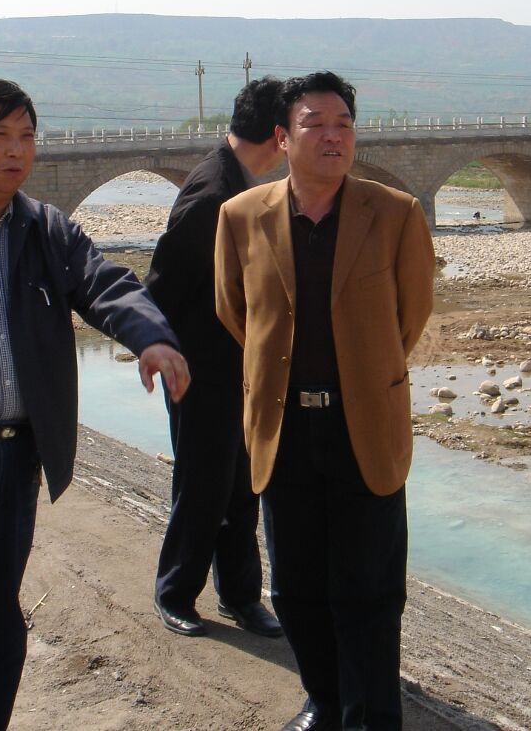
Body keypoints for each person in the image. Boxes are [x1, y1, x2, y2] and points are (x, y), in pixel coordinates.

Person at [0, 78, 189, 731]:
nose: (17, 151)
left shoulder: (45, 230)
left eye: (27, 136)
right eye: (0, 136)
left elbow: (105, 283)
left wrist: (150, 336)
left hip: (15, 459)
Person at [215, 72, 436, 731]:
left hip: (363, 424)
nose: (333, 136)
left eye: (344, 123)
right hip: (283, 427)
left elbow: (410, 315)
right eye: (315, 123)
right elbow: (235, 311)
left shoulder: (394, 213)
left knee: (371, 590)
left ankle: (373, 716)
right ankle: (324, 700)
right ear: (283, 138)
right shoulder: (240, 216)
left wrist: (362, 373)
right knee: (296, 585)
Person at [146, 77, 285, 639]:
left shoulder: (237, 179)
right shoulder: (213, 194)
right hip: (200, 368)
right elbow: (162, 285)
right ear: (278, 134)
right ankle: (175, 593)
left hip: (237, 366)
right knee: (203, 486)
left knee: (241, 486)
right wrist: (165, 356)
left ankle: (240, 596)